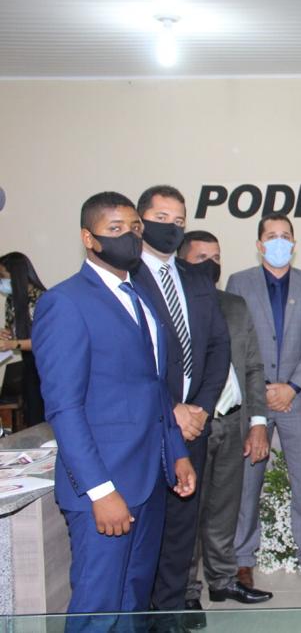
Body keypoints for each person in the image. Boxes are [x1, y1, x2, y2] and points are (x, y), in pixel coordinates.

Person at [32, 191, 196, 623]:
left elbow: (154, 386)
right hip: (105, 487)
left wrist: (176, 452)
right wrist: (100, 491)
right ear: (89, 238)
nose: (130, 236)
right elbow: (64, 408)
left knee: (134, 604)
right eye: (116, 229)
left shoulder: (139, 296)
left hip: (149, 478)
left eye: (135, 228)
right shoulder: (65, 303)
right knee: (99, 609)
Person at [130, 186, 231, 616]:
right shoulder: (127, 277)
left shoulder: (196, 278)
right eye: (161, 218)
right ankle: (142, 612)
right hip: (149, 423)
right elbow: (131, 357)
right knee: (145, 525)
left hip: (194, 423)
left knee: (182, 524)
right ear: (140, 222)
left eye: (178, 221)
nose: (171, 227)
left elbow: (218, 347)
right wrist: (172, 408)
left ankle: (171, 608)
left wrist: (201, 408)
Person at [227, 213, 301, 586]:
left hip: (296, 400)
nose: (279, 242)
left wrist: (292, 387)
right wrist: (263, 388)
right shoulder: (239, 283)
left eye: (286, 235)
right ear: (259, 245)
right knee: (247, 482)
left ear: (294, 244)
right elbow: (235, 341)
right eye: (272, 236)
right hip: (253, 399)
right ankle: (242, 558)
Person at [179, 231, 273, 624]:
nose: (211, 265)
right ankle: (185, 592)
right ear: (181, 261)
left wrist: (257, 423)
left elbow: (252, 366)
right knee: (189, 512)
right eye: (201, 257)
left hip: (232, 420)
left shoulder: (234, 305)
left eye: (216, 257)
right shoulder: (172, 306)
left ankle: (222, 580)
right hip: (192, 427)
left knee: (223, 509)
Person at [0, 251, 47, 427]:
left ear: (16, 275)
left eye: (2, 277)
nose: (1, 282)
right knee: (31, 417)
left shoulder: (43, 300)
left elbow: (42, 341)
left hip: (46, 366)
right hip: (28, 365)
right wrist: (6, 334)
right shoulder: (12, 300)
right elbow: (16, 331)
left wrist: (11, 344)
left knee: (42, 417)